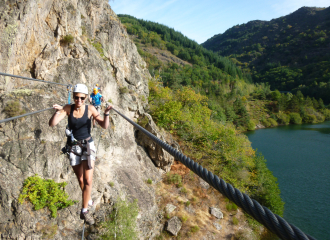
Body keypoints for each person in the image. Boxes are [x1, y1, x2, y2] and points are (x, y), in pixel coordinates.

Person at [49, 83, 111, 224]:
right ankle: (87, 198)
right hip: (73, 148)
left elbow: (104, 125)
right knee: (81, 180)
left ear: (86, 98)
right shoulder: (68, 108)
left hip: (88, 145)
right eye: (76, 98)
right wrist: (57, 112)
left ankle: (84, 211)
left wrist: (106, 114)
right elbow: (52, 124)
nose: (79, 101)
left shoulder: (90, 109)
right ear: (74, 97)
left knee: (88, 180)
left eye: (82, 98)